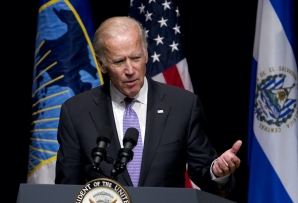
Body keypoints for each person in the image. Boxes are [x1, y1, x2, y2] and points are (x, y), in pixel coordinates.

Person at [55, 16, 242, 197]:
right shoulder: (76, 112)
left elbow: (204, 174)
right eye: (119, 61)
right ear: (101, 64)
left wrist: (217, 173)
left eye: (135, 57)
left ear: (146, 55)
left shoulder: (183, 106)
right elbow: (67, 189)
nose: (130, 70)